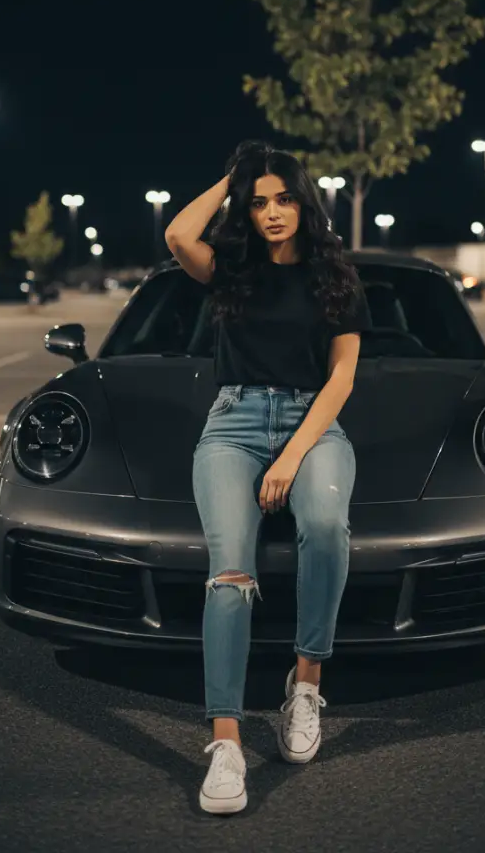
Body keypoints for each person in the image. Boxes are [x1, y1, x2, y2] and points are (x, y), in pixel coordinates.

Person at [165, 140, 371, 815]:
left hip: (314, 426)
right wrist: (234, 176)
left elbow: (341, 379)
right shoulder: (231, 269)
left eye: (283, 198)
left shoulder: (335, 277)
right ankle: (225, 743)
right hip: (233, 424)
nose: (272, 212)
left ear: (303, 202)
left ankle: (305, 683)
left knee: (325, 524)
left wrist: (289, 458)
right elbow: (178, 235)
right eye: (258, 202)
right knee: (231, 570)